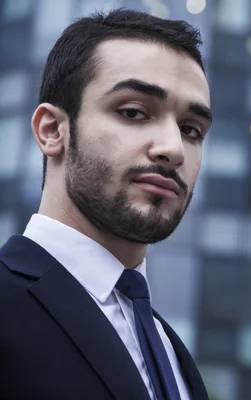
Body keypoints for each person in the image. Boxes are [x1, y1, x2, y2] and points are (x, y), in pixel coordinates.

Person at [0, 8, 212, 400]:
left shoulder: (169, 349)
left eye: (191, 130)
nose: (173, 149)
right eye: (133, 112)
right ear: (52, 130)